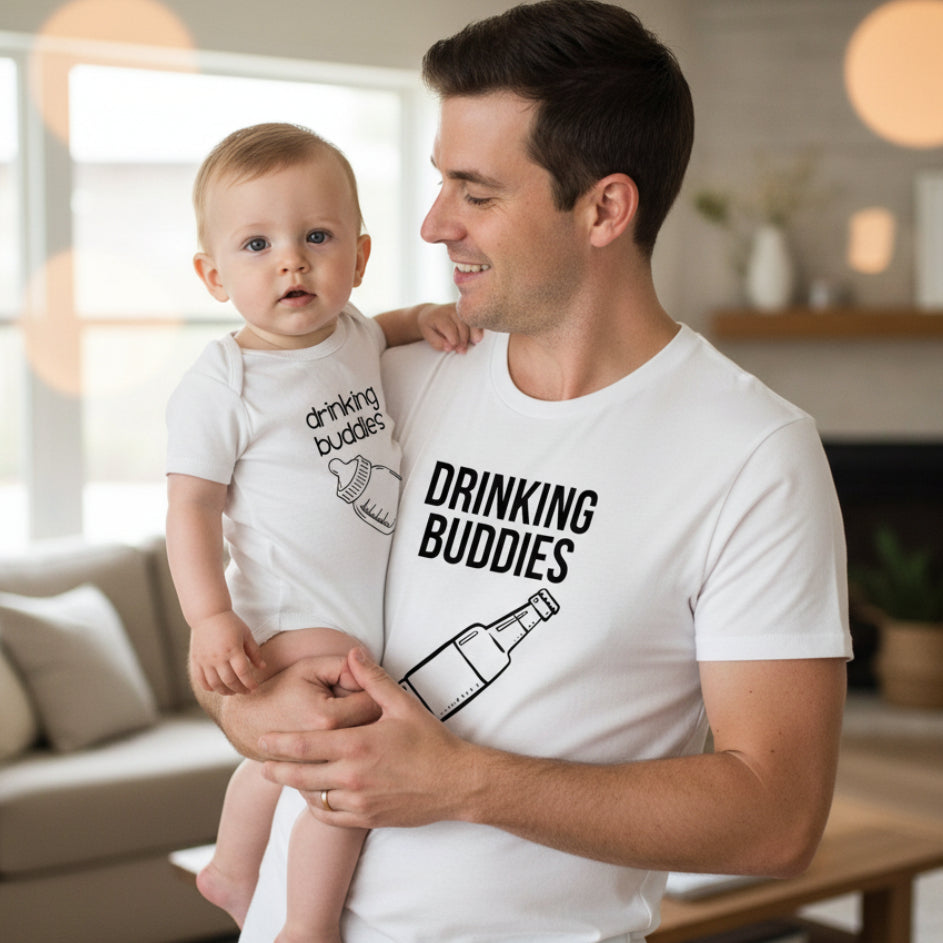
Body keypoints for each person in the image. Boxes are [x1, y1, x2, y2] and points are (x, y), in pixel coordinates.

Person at [194, 5, 853, 942]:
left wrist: (460, 781)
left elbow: (779, 816)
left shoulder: (752, 455)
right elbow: (250, 631)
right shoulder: (381, 382)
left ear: (603, 209)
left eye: (476, 191)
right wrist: (246, 707)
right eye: (438, 183)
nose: (432, 224)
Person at [165, 122, 475, 943]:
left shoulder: (358, 333)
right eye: (257, 243)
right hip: (290, 612)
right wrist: (209, 617)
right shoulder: (223, 382)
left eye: (316, 237)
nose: (291, 261)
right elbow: (190, 506)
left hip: (350, 611)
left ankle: (233, 866)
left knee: (285, 759)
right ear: (213, 274)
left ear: (360, 258)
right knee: (349, 773)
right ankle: (307, 922)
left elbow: (390, 326)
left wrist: (429, 317)